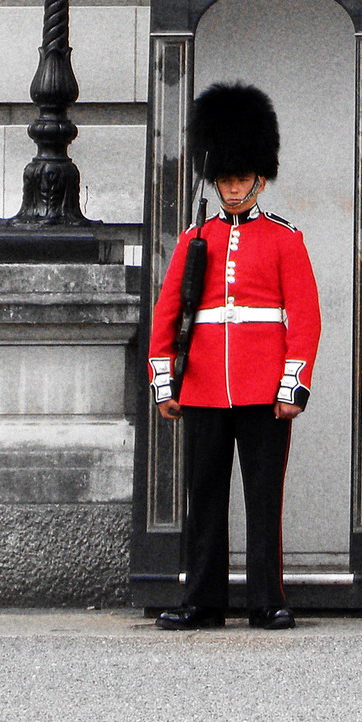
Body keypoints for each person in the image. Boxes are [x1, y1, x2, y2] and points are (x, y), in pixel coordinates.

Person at [147, 82, 320, 631]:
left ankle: (266, 600)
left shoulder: (284, 239)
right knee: (205, 501)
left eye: (241, 177)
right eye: (224, 178)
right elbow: (167, 313)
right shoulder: (193, 239)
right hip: (200, 386)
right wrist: (164, 383)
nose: (232, 187)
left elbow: (305, 319)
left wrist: (293, 385)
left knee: (263, 500)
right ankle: (202, 600)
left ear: (260, 179)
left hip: (264, 388)